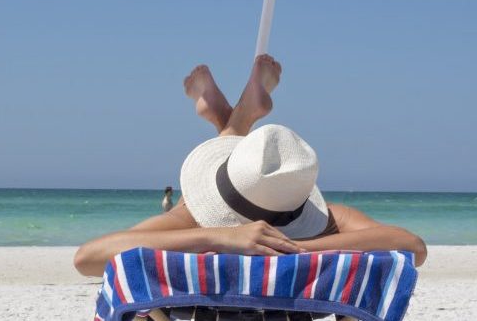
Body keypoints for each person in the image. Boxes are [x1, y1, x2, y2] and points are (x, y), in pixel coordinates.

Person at [74, 55, 427, 277]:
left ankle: (237, 120)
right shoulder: (330, 223)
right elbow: (412, 245)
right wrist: (297, 247)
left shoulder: (192, 217)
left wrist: (220, 237)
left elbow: (87, 258)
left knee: (196, 198)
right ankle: (236, 117)